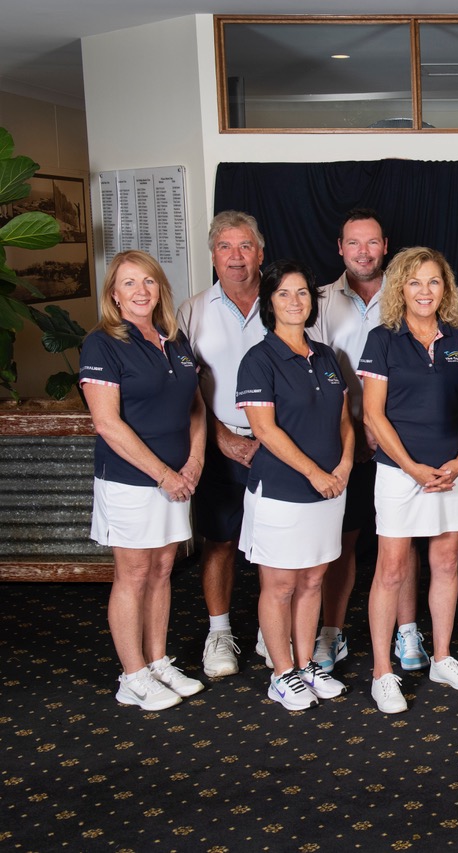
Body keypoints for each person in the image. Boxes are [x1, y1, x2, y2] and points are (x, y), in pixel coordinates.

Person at [82, 250, 207, 710]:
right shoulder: (102, 344)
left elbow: (196, 407)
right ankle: (132, 675)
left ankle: (157, 663)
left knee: (162, 570)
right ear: (114, 294)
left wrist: (193, 463)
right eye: (129, 283)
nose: (140, 291)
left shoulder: (173, 339)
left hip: (177, 479)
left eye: (149, 282)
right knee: (133, 574)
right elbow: (107, 424)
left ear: (160, 289)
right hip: (132, 482)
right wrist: (163, 475)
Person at [360, 247, 458, 712]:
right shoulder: (382, 339)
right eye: (415, 282)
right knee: (391, 569)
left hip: (453, 468)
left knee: (447, 563)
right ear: (400, 289)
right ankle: (381, 673)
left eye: (433, 282)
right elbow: (372, 412)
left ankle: (443, 657)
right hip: (399, 471)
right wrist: (411, 467)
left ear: (445, 288)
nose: (425, 291)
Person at [236, 260, 354, 710]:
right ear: (269, 302)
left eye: (302, 292)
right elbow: (265, 431)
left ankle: (306, 665)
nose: (294, 301)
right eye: (284, 293)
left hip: (329, 489)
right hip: (283, 491)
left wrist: (343, 465)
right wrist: (316, 474)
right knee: (281, 584)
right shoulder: (258, 360)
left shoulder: (326, 357)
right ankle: (282, 673)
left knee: (313, 580)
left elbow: (344, 419)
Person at [177, 211, 268, 679]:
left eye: (245, 246)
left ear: (260, 252)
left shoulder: (284, 302)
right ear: (213, 255)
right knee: (220, 541)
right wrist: (222, 437)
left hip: (278, 445)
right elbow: (184, 387)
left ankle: (274, 632)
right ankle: (219, 631)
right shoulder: (191, 311)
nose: (236, 257)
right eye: (226, 248)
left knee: (277, 541)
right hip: (220, 443)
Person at [310, 208, 389, 672]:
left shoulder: (406, 296)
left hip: (399, 441)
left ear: (385, 246)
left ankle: (405, 632)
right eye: (354, 243)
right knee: (341, 543)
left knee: (400, 543)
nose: (363, 252)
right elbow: (319, 376)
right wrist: (355, 436)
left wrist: (383, 433)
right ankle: (331, 633)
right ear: (340, 248)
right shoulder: (317, 301)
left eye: (372, 242)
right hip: (344, 444)